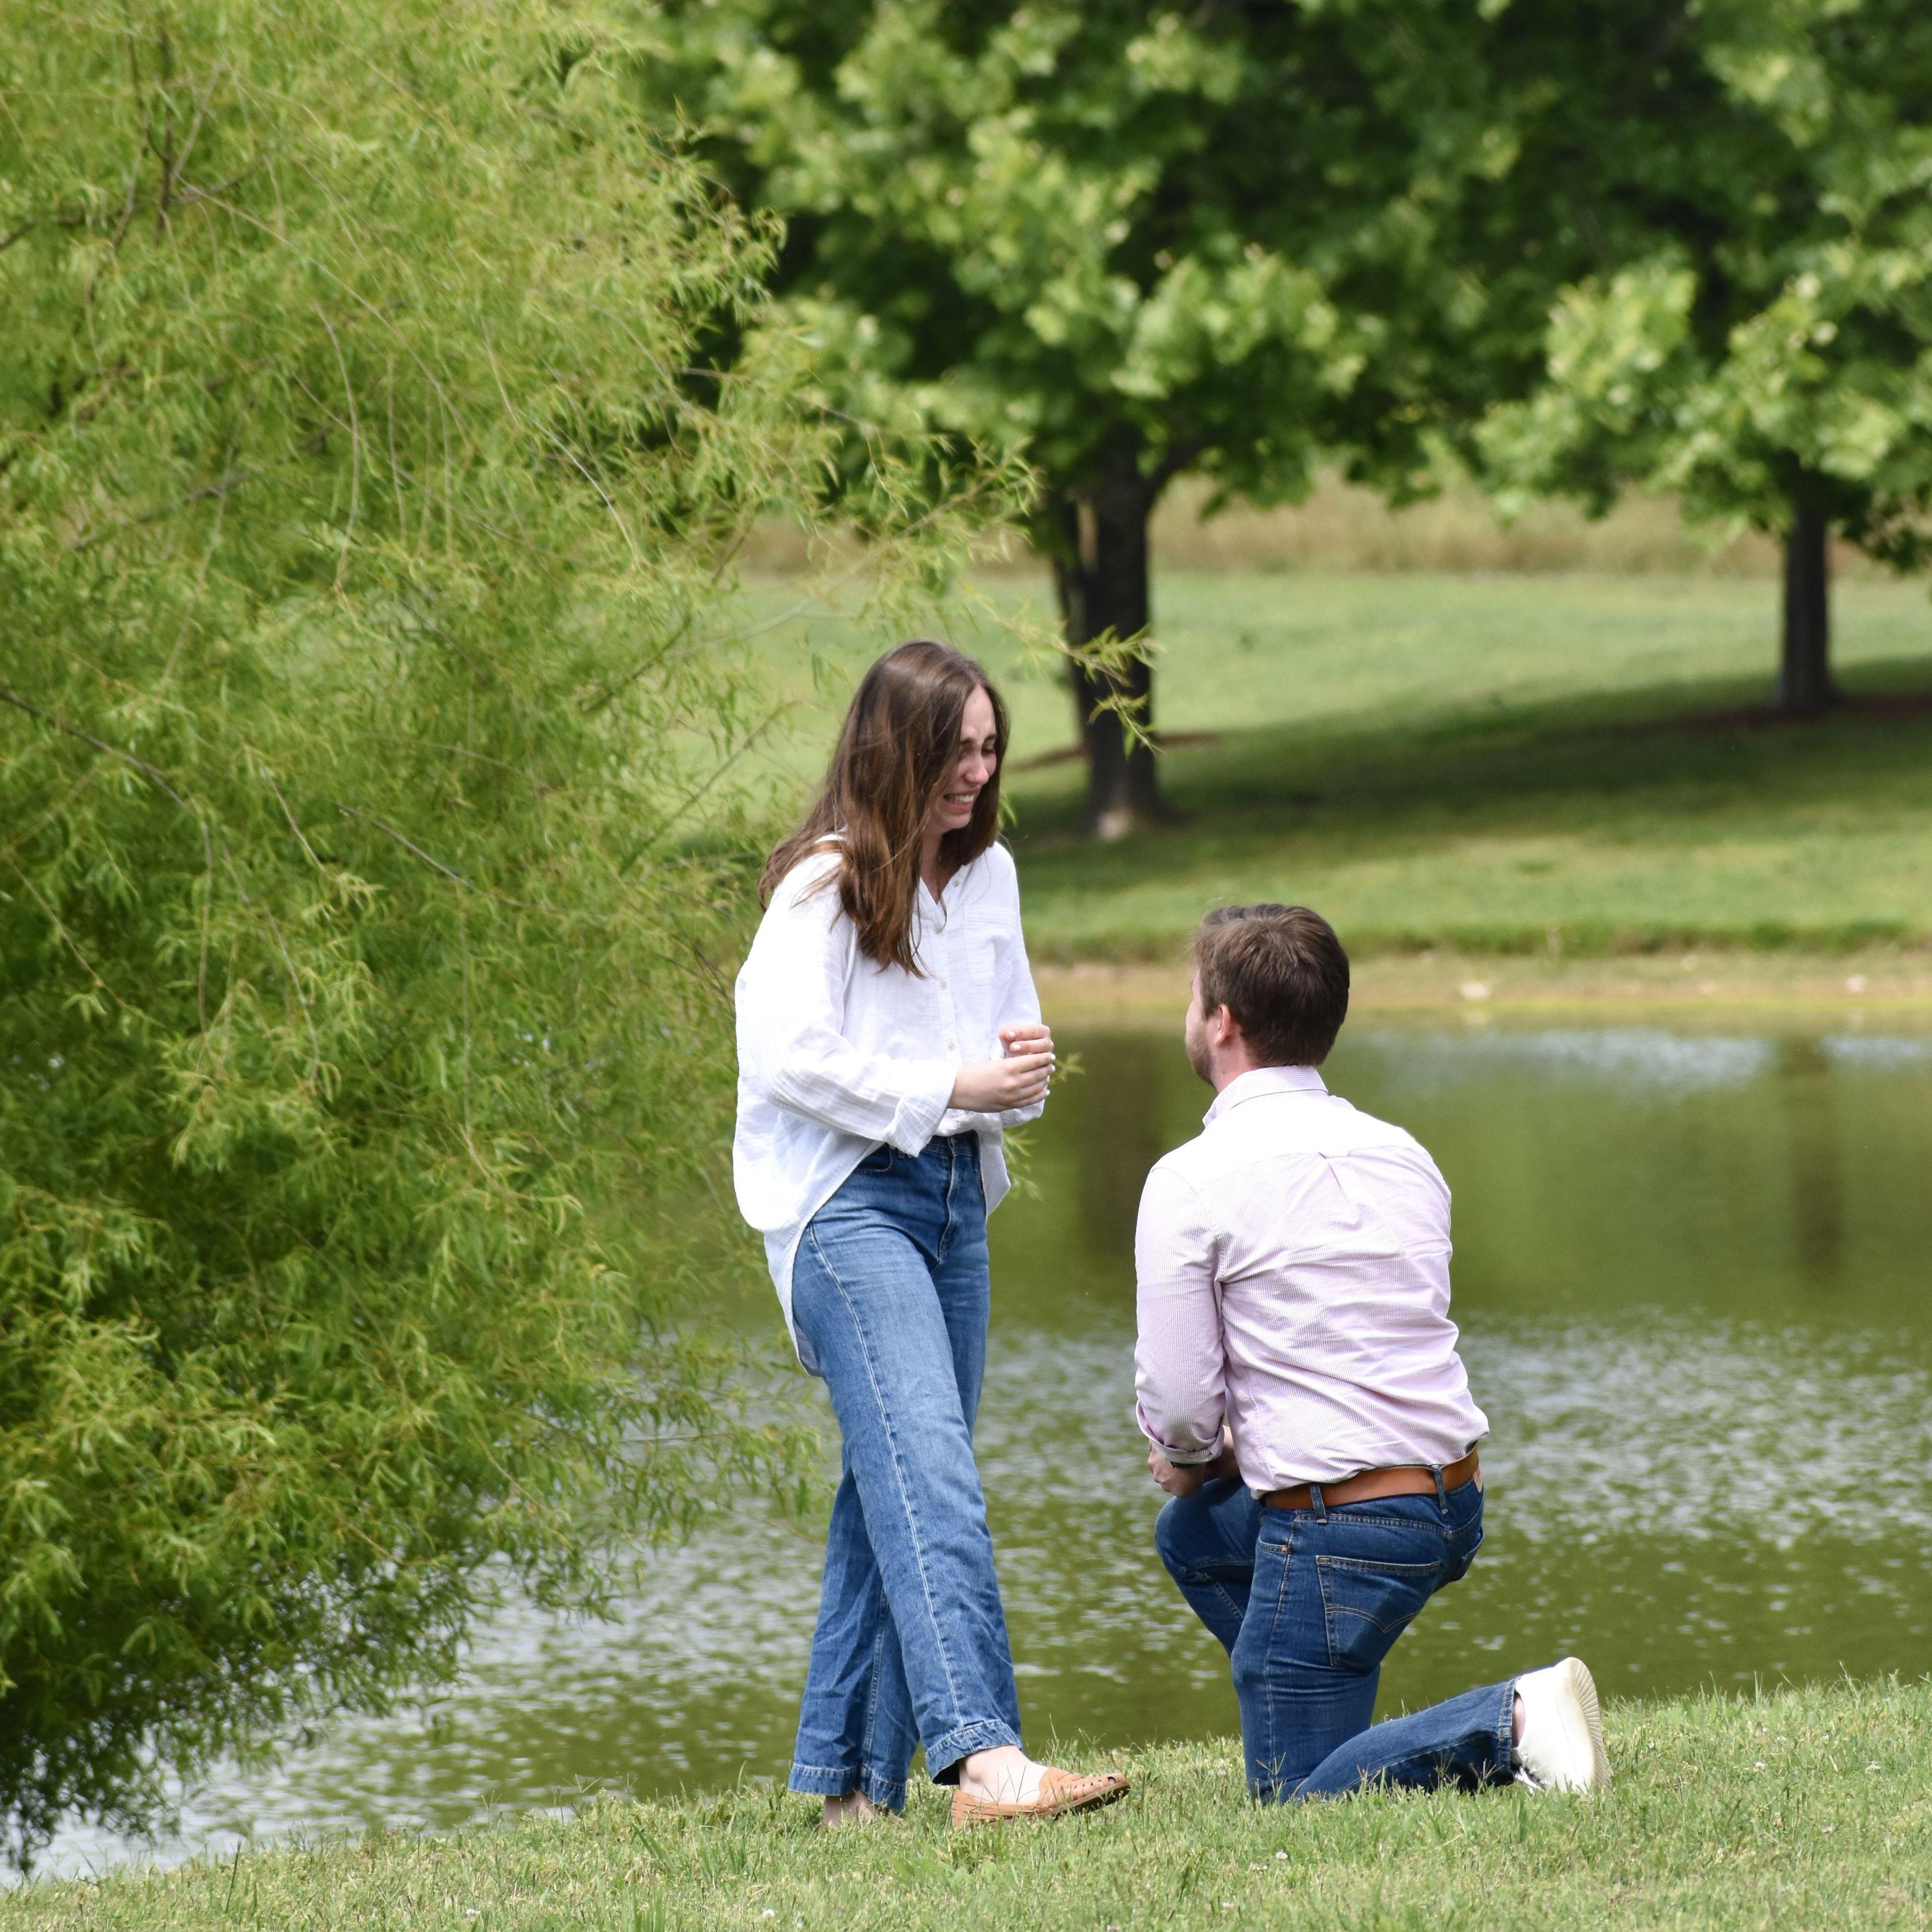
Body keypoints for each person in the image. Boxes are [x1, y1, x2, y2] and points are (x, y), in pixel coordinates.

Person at [734, 639, 1129, 1829]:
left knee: (892, 1481)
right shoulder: (823, 884)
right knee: (934, 1472)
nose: (977, 767)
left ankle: (852, 1794)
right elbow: (786, 1057)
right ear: (893, 749)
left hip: (958, 1200)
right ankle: (985, 1762)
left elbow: (1001, 1044)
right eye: (954, 747)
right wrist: (951, 1082)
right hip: (847, 1207)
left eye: (989, 744)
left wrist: (1022, 1068)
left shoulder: (991, 873)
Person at [1135, 903, 1612, 1802]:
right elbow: (1359, 1354)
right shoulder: (1403, 1154)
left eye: (1194, 1001)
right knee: (1195, 1538)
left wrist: (1194, 1456)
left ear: (1222, 1022)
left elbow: (1184, 1412)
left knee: (1294, 1806)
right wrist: (1227, 1462)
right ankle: (1336, 1712)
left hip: (1342, 1525)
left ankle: (1510, 1718)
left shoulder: (1189, 1179)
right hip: (1450, 1497)